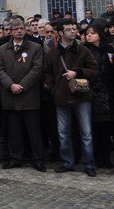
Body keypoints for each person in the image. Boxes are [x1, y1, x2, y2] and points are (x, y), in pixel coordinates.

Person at [44, 18, 99, 176]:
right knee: (63, 132)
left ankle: (89, 164)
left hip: (81, 96)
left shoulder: (83, 50)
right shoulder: (52, 53)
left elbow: (94, 70)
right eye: (69, 29)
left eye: (74, 29)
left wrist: (78, 72)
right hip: (61, 97)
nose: (73, 31)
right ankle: (67, 162)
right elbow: (46, 72)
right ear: (60, 33)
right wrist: (51, 85)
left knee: (86, 133)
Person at [0, 19, 45, 171]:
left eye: (21, 28)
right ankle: (15, 158)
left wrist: (22, 85)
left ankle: (38, 159)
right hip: (10, 96)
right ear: (10, 30)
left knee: (34, 130)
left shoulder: (35, 47)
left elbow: (37, 69)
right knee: (14, 130)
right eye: (15, 28)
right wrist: (10, 85)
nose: (19, 31)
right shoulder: (3, 49)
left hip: (29, 95)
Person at [83, 23, 114, 169]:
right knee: (94, 129)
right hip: (92, 93)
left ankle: (106, 157)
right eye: (87, 33)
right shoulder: (85, 50)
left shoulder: (108, 48)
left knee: (107, 128)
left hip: (107, 93)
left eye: (92, 33)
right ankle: (95, 158)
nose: (89, 35)